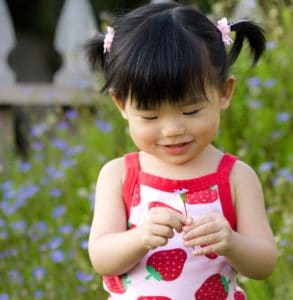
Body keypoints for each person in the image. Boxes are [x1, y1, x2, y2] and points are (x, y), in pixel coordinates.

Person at [84, 1, 277, 299]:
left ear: (224, 93)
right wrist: (140, 238)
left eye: (191, 111)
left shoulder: (236, 177)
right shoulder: (120, 176)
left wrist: (232, 243)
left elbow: (264, 262)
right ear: (122, 105)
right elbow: (101, 257)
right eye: (150, 116)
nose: (172, 129)